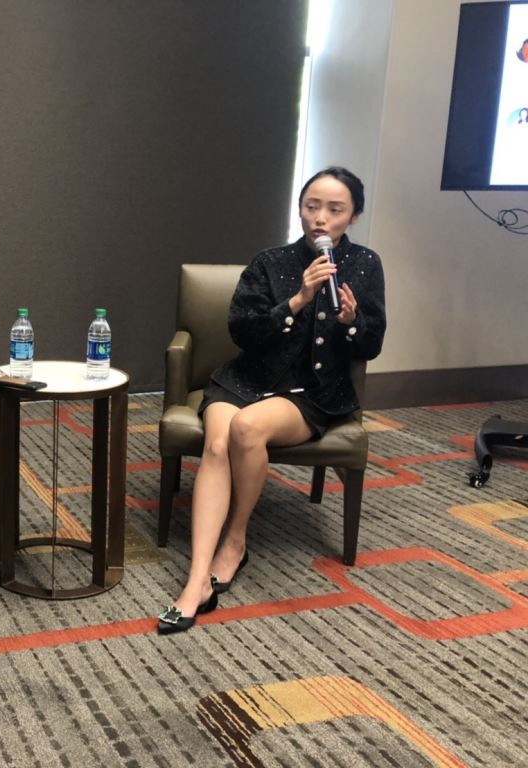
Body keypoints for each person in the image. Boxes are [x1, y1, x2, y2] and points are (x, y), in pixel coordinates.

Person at [157, 167, 385, 635]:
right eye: (312, 206)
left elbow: (371, 344)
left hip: (311, 392)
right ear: (299, 208)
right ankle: (197, 579)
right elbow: (242, 331)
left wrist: (351, 322)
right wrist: (297, 300)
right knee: (216, 445)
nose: (320, 218)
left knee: (244, 429)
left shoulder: (365, 265)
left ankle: (235, 540)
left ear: (354, 216)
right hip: (247, 379)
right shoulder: (270, 261)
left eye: (335, 209)